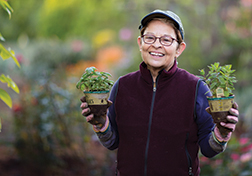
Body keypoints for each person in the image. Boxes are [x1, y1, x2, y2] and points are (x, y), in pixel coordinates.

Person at [80, 9, 239, 176]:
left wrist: (221, 134)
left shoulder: (195, 88)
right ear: (140, 42)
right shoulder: (123, 86)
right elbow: (112, 142)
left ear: (179, 48)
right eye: (150, 38)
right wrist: (100, 124)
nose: (156, 44)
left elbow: (209, 149)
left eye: (166, 40)